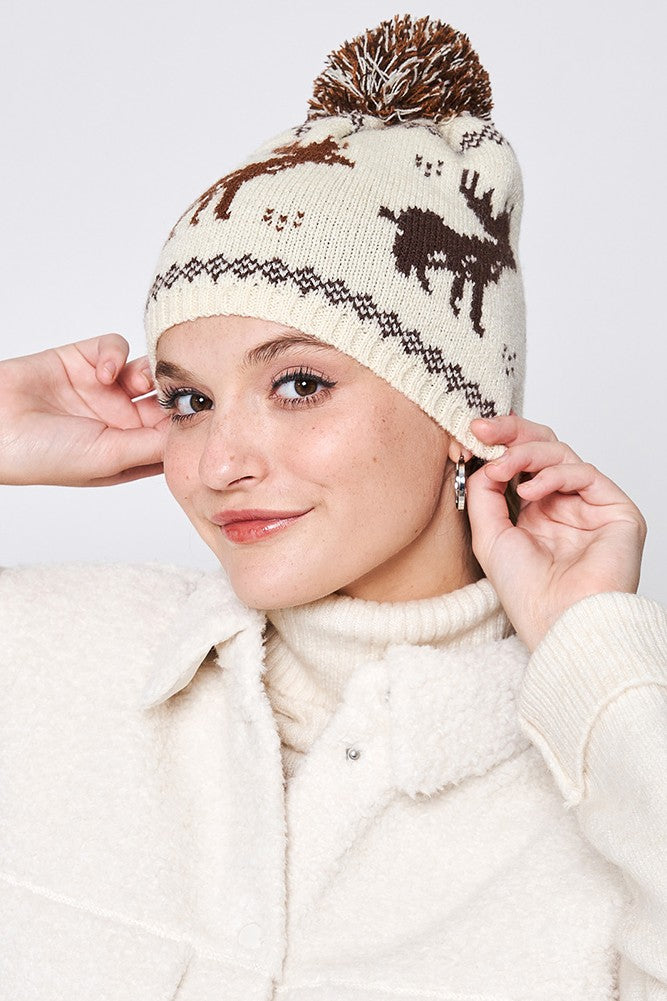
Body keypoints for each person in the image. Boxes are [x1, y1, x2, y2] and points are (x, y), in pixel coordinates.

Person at [1, 13, 665, 999]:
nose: (219, 461)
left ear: (460, 411)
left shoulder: (603, 776)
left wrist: (596, 653)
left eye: (299, 384)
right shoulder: (51, 658)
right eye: (188, 400)